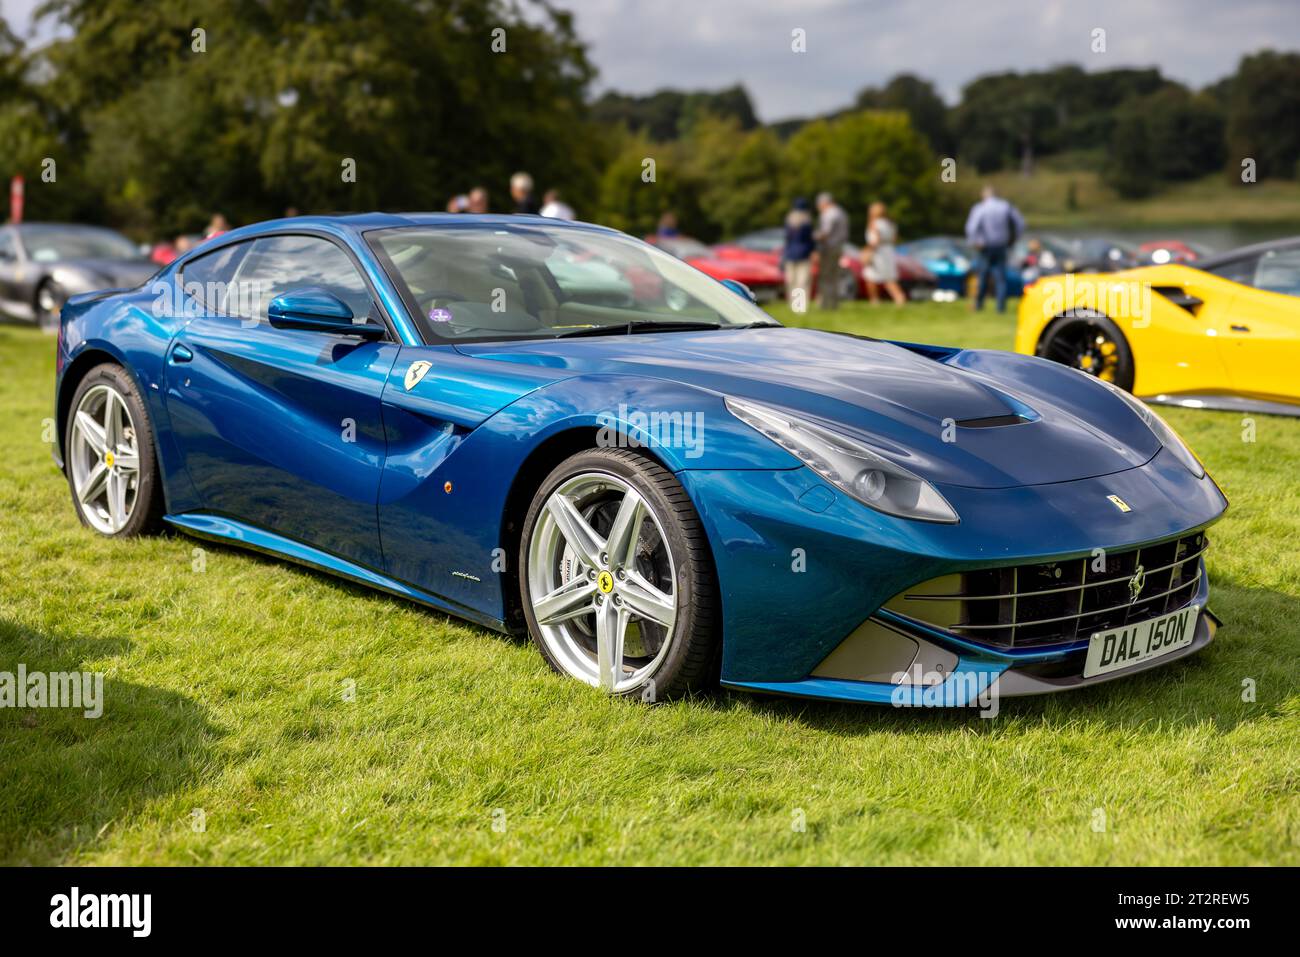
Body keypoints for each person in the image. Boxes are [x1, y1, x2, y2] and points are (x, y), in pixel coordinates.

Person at [965, 185, 1025, 313]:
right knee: (1001, 278)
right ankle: (1000, 307)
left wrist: (974, 241)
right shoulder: (1005, 206)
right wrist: (1014, 239)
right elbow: (1020, 223)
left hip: (985, 246)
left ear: (984, 195)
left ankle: (979, 304)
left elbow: (971, 227)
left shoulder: (980, 208)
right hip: (1001, 245)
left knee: (983, 276)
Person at [862, 201, 906, 306]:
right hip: (889, 251)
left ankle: (877, 300)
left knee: (871, 276)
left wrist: (867, 251)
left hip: (877, 252)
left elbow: (875, 240)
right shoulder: (890, 224)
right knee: (887, 277)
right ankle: (898, 298)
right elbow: (894, 239)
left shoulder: (874, 224)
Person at [814, 192, 848, 310]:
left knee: (826, 277)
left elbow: (825, 233)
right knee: (834, 277)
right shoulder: (841, 212)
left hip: (829, 248)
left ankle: (825, 304)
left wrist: (812, 237)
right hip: (838, 247)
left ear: (824, 203)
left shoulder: (829, 214)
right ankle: (834, 304)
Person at [780, 197, 815, 313]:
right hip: (804, 254)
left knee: (791, 281)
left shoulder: (789, 220)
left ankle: (794, 305)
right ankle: (800, 307)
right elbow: (809, 240)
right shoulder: (807, 221)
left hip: (790, 254)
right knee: (802, 281)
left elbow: (787, 240)